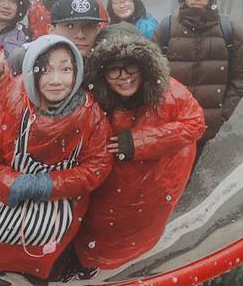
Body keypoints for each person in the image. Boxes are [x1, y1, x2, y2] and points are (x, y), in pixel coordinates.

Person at [0, 35, 112, 280]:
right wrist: (16, 184)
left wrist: (47, 185)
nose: (56, 80)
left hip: (58, 226)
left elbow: (97, 167)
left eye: (65, 69)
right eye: (44, 70)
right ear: (30, 70)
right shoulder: (9, 101)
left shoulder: (91, 114)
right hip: (1, 222)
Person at [74, 23, 205, 273]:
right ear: (101, 74)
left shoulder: (169, 92)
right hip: (109, 201)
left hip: (153, 197)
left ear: (145, 65)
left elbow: (195, 123)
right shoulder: (93, 101)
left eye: (130, 66)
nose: (124, 76)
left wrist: (140, 142)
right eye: (113, 69)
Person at [152, 0, 243, 155]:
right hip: (169, 125)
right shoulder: (166, 29)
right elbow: (151, 74)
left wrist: (222, 113)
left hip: (205, 125)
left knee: (189, 168)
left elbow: (241, 76)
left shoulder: (231, 31)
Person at [7, 0, 110, 76]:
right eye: (70, 26)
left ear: (98, 29)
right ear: (51, 30)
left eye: (88, 26)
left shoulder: (109, 63)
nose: (80, 35)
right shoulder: (29, 60)